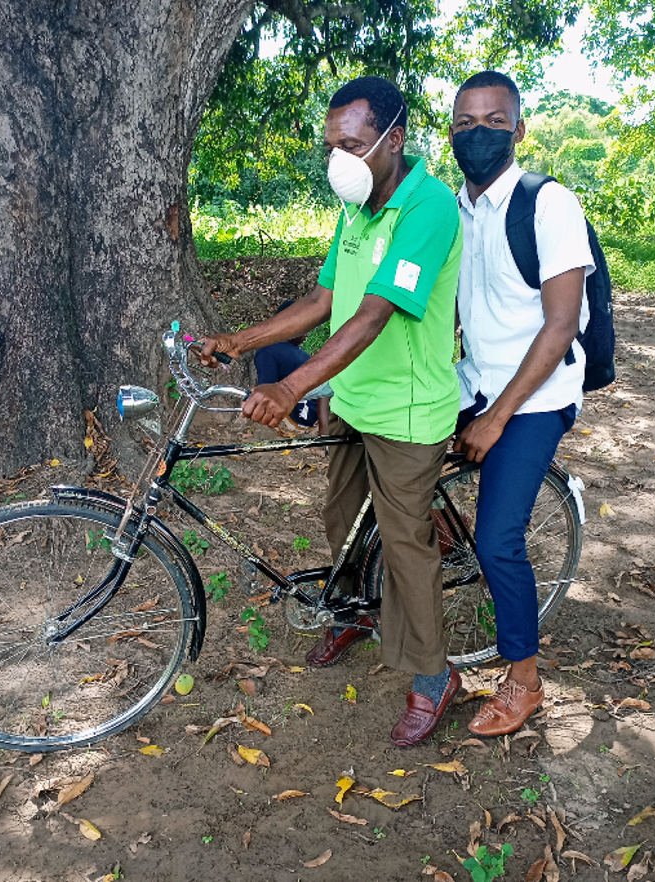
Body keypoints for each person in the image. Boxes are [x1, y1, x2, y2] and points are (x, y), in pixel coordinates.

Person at [202, 75, 463, 748]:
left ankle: (434, 678)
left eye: (350, 143)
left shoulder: (427, 208)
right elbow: (322, 302)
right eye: (330, 145)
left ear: (393, 139)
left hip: (407, 409)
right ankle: (351, 610)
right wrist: (239, 340)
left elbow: (374, 315)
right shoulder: (357, 209)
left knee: (406, 544)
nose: (336, 159)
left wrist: (290, 389)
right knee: (341, 517)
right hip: (353, 397)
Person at [449, 71, 594, 737]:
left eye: (492, 122)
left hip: (533, 397)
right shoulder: (457, 206)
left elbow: (560, 324)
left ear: (519, 129)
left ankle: (525, 680)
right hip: (471, 382)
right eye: (464, 124)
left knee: (499, 539)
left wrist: (497, 416)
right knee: (390, 458)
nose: (476, 134)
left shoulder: (547, 204)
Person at [254, 301, 330, 436]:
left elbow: (266, 392)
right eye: (305, 326)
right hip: (314, 412)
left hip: (303, 417)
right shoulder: (293, 354)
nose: (307, 333)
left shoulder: (267, 351)